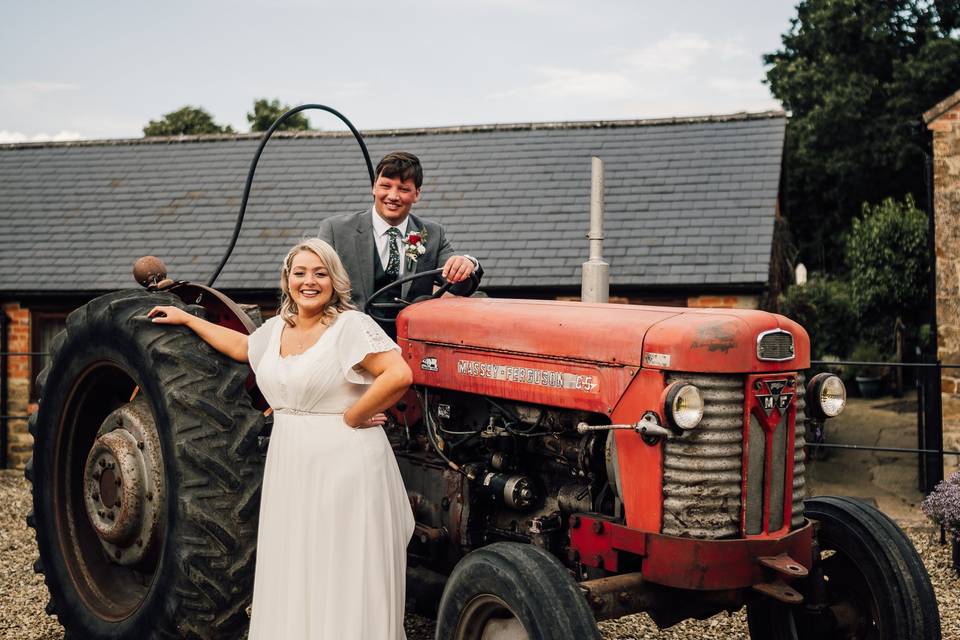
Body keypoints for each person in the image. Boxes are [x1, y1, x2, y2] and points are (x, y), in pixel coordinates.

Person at [148, 238, 415, 639]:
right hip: (291, 463)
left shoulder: (350, 326)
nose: (310, 281)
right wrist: (189, 320)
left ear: (334, 280)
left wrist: (354, 414)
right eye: (300, 272)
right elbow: (242, 347)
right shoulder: (276, 329)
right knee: (297, 564)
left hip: (344, 465)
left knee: (339, 567)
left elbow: (398, 374)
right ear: (288, 279)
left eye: (320, 273)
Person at [318, 151, 481, 316]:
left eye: (403, 189)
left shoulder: (432, 234)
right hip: (353, 336)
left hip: (408, 336)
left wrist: (468, 263)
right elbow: (316, 286)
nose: (393, 196)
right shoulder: (335, 230)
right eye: (386, 186)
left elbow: (460, 287)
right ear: (374, 186)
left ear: (417, 194)